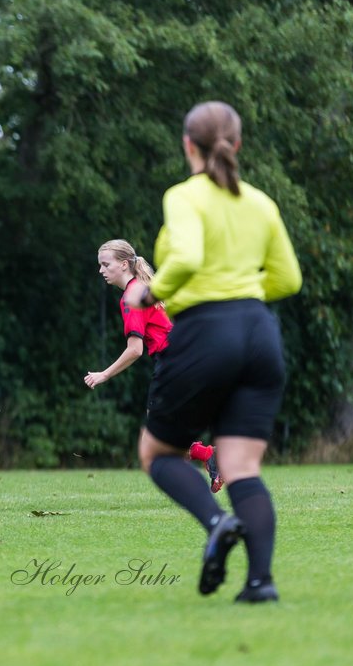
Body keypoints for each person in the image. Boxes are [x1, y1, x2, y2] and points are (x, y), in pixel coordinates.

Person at [125, 101, 301, 604]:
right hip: (260, 332)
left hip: (207, 333)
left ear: (188, 145)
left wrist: (150, 294)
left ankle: (218, 521)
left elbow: (188, 257)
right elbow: (289, 279)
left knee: (156, 453)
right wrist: (241, 296)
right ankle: (260, 583)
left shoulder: (184, 196)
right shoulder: (261, 202)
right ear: (237, 144)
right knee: (243, 467)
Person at [84, 239, 224, 493]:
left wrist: (104, 374)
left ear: (124, 264)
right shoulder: (142, 289)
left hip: (174, 363)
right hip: (185, 360)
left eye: (106, 264)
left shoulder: (131, 297)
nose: (101, 270)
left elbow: (135, 349)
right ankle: (208, 458)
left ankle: (207, 463)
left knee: (157, 440)